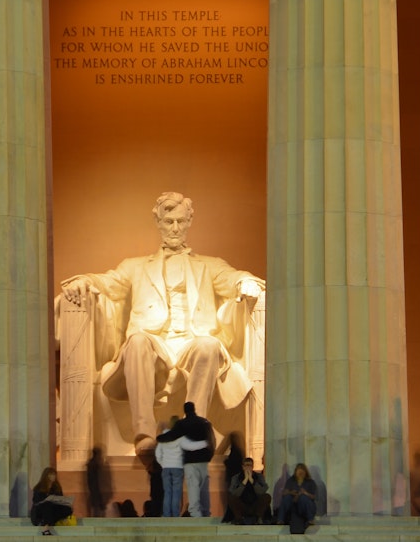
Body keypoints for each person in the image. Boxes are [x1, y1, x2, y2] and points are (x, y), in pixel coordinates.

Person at [62, 191, 265, 453]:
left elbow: (232, 277)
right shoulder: (134, 266)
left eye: (181, 221)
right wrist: (85, 281)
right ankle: (144, 434)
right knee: (136, 342)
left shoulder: (210, 265)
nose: (175, 228)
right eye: (169, 222)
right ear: (158, 223)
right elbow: (109, 282)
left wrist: (245, 281)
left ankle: (195, 429)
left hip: (192, 341)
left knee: (208, 345)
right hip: (154, 343)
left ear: (189, 222)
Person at [157, 401, 215, 517]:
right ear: (194, 409)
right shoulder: (204, 422)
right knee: (204, 489)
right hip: (203, 461)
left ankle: (195, 514)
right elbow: (212, 441)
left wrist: (159, 438)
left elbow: (172, 436)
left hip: (190, 462)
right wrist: (208, 455)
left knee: (193, 488)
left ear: (185, 410)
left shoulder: (182, 424)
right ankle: (206, 513)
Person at [226, 457, 270, 525]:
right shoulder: (236, 478)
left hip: (255, 505)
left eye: (250, 465)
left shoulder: (259, 477)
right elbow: (234, 493)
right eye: (246, 465)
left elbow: (262, 492)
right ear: (243, 467)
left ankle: (258, 518)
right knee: (231, 497)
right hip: (242, 505)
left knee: (267, 496)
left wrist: (252, 481)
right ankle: (239, 519)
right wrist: (245, 481)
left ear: (252, 467)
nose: (248, 467)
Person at [30, 466, 73, 536]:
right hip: (40, 512)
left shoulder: (57, 487)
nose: (53, 476)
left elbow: (60, 499)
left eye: (54, 474)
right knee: (47, 504)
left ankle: (47, 522)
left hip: (52, 509)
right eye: (51, 474)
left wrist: (66, 502)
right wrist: (46, 500)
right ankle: (45, 528)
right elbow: (36, 502)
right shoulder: (39, 487)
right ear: (46, 476)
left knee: (68, 509)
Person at [277, 463, 317, 528]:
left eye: (302, 471)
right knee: (287, 498)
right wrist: (290, 492)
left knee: (303, 498)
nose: (300, 473)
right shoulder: (291, 481)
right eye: (299, 471)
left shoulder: (310, 482)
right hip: (293, 505)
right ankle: (280, 520)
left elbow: (314, 497)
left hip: (305, 505)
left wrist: (305, 493)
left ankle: (310, 519)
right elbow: (284, 493)